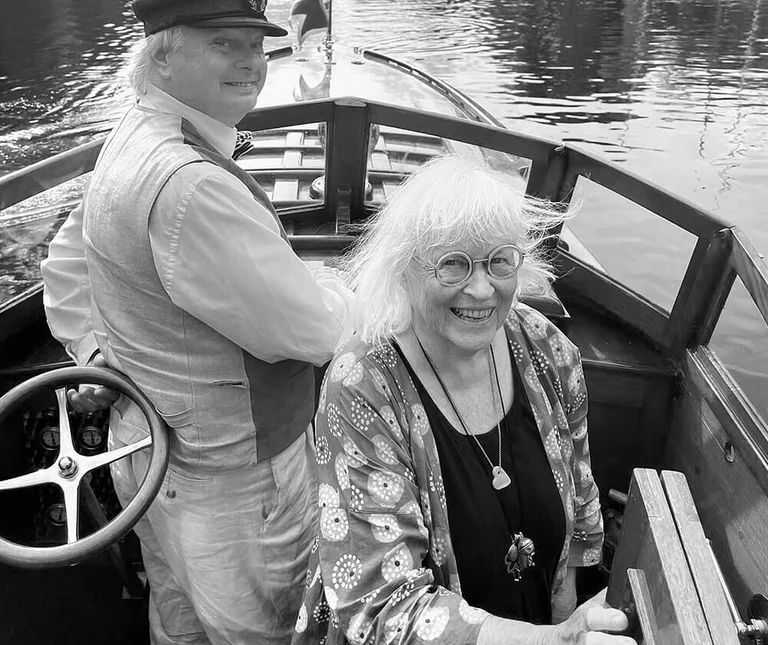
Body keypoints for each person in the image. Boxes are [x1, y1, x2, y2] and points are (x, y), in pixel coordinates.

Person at [40, 1, 352, 643]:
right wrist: (354, 289)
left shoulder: (132, 138)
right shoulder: (192, 186)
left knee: (176, 619)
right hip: (235, 485)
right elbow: (314, 333)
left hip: (148, 457)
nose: (249, 61)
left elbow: (67, 265)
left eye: (256, 44)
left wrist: (97, 354)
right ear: (161, 54)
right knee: (262, 631)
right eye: (222, 44)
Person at [293, 155, 635, 645]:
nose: (481, 288)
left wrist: (567, 623)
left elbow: (579, 510)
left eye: (499, 260)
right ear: (404, 271)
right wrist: (557, 641)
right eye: (452, 264)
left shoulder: (547, 349)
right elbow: (384, 608)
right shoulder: (362, 385)